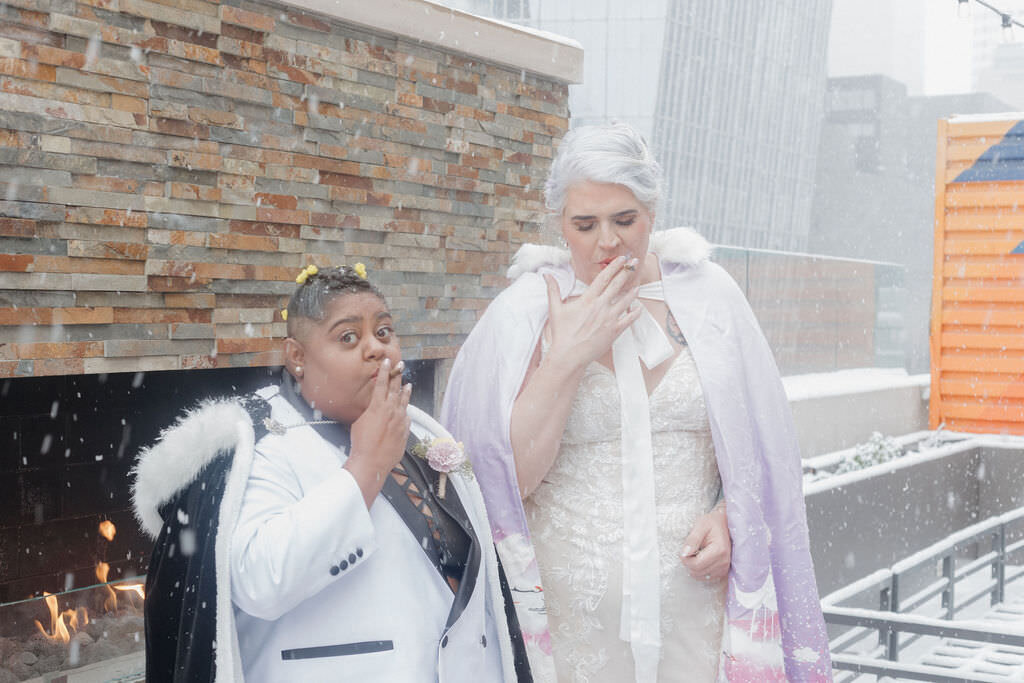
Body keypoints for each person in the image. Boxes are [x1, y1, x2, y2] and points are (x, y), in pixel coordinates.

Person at [441, 123, 831, 682]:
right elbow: (502, 483)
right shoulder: (523, 313)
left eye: (625, 220)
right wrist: (568, 357)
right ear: (561, 225)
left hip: (697, 616)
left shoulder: (711, 296)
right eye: (586, 224)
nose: (608, 242)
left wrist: (729, 520)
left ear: (652, 211)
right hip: (568, 624)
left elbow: (762, 452)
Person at [132, 265, 529, 682]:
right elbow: (260, 582)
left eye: (384, 331)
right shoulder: (256, 444)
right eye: (348, 337)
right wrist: (366, 466)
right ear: (297, 357)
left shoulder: (422, 432)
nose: (376, 348)